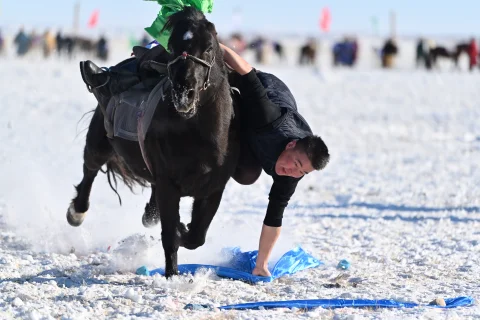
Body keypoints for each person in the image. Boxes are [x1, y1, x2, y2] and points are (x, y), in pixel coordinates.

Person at [80, 0, 329, 277]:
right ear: (292, 146)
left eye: (299, 171)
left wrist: (262, 264)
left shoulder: (294, 169)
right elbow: (247, 71)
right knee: (195, 70)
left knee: (246, 173)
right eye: (294, 163)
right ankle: (109, 80)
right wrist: (208, 44)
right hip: (256, 93)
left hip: (257, 131)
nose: (292, 171)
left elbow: (275, 216)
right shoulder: (267, 113)